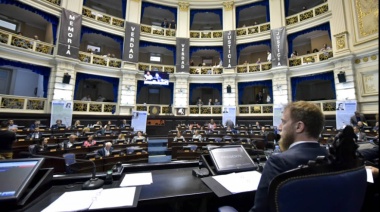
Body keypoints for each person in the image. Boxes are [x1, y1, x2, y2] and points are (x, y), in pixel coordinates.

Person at [250, 101, 328, 212]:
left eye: (283, 122)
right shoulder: (333, 158)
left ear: (299, 126)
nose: (280, 127)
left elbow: (261, 210)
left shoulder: (278, 162)